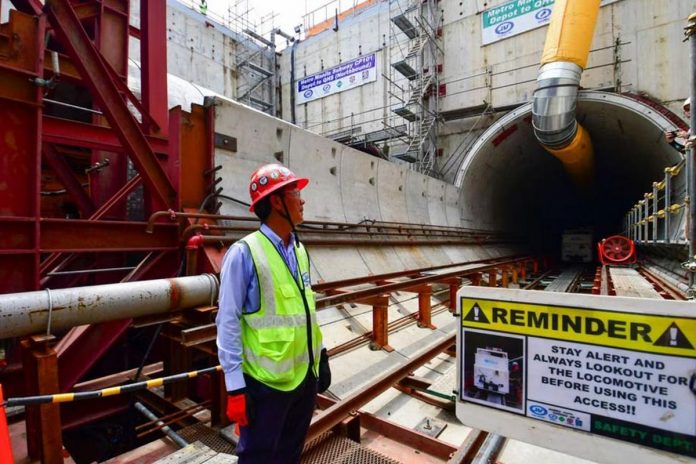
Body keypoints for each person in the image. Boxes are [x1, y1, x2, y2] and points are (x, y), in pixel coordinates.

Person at [216, 163, 331, 464]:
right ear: (277, 202)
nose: (302, 200)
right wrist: (235, 387)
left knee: (290, 454)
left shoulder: (299, 250)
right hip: (266, 385)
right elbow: (227, 320)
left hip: (304, 379)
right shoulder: (244, 253)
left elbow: (305, 309)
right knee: (259, 458)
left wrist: (321, 355)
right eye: (296, 193)